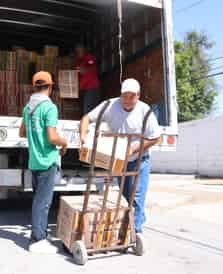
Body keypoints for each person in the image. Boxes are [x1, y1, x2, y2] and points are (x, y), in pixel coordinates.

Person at [79, 78, 161, 236]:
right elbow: (86, 119)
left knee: (136, 195)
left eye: (132, 96)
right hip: (119, 159)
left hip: (139, 159)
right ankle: (130, 224)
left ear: (138, 95)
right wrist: (83, 137)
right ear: (120, 94)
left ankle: (135, 232)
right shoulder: (109, 105)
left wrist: (134, 149)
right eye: (125, 96)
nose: (128, 100)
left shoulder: (145, 111)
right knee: (124, 196)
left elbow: (155, 137)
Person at [19, 71, 68, 253]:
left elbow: (22, 133)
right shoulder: (49, 107)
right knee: (43, 202)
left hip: (34, 161)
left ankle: (41, 234)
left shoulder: (28, 108)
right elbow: (52, 137)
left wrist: (34, 135)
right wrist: (65, 143)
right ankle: (37, 240)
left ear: (34, 86)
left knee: (39, 201)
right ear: (50, 86)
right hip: (47, 161)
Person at [74, 44, 101, 116]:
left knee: (87, 110)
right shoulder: (78, 61)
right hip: (83, 89)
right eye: (77, 51)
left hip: (91, 88)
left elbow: (93, 67)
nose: (78, 53)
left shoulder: (89, 58)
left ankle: (87, 126)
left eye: (80, 51)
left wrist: (84, 69)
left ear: (84, 50)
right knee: (83, 110)